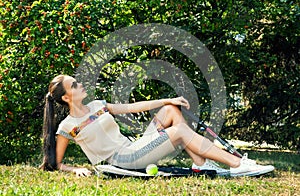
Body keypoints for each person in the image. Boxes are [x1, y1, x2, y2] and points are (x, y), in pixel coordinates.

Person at [40, 74, 274, 177]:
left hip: (134, 147)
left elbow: (134, 107)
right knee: (180, 131)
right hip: (120, 160)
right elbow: (56, 163)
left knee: (171, 111)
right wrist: (76, 169)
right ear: (66, 98)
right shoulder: (67, 126)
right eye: (74, 85)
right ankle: (237, 164)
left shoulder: (98, 105)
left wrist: (167, 100)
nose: (80, 85)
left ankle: (200, 163)